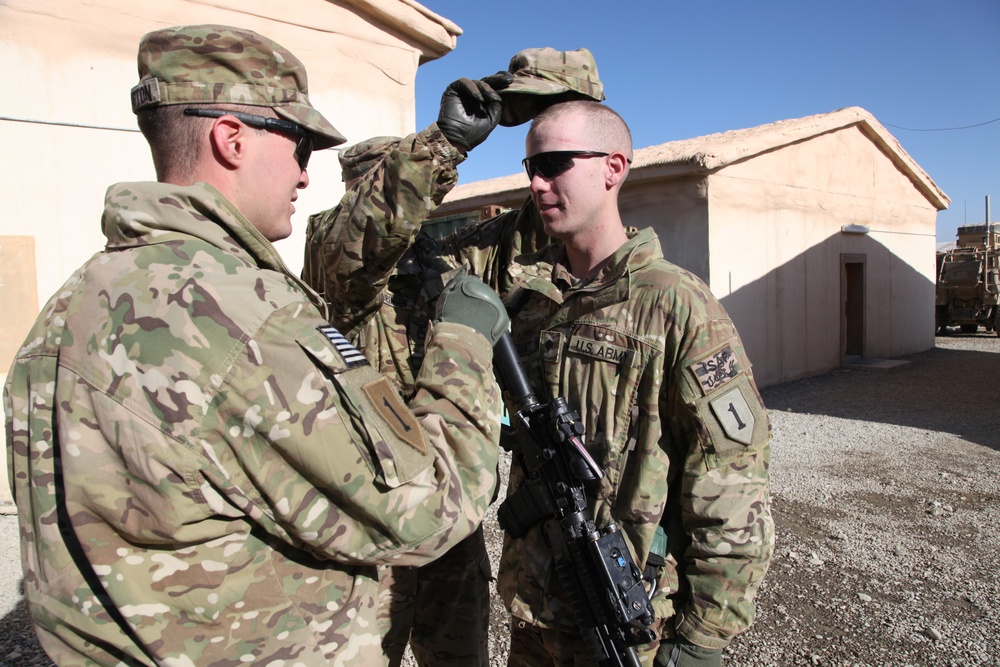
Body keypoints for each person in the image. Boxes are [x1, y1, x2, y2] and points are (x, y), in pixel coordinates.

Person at [3, 24, 512, 667]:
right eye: (300, 146)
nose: (306, 173)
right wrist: (463, 341)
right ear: (231, 137)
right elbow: (430, 509)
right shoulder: (244, 320)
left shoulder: (71, 304)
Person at [302, 47, 605, 667]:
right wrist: (440, 143)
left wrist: (557, 105)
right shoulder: (333, 258)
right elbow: (358, 246)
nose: (402, 212)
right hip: (369, 532)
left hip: (449, 520)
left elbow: (538, 224)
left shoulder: (444, 262)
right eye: (384, 192)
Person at [495, 101, 775, 666]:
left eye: (553, 164)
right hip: (534, 613)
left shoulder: (677, 305)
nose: (538, 184)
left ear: (613, 168)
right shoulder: (528, 304)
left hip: (628, 623)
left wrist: (702, 639)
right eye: (531, 168)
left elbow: (732, 480)